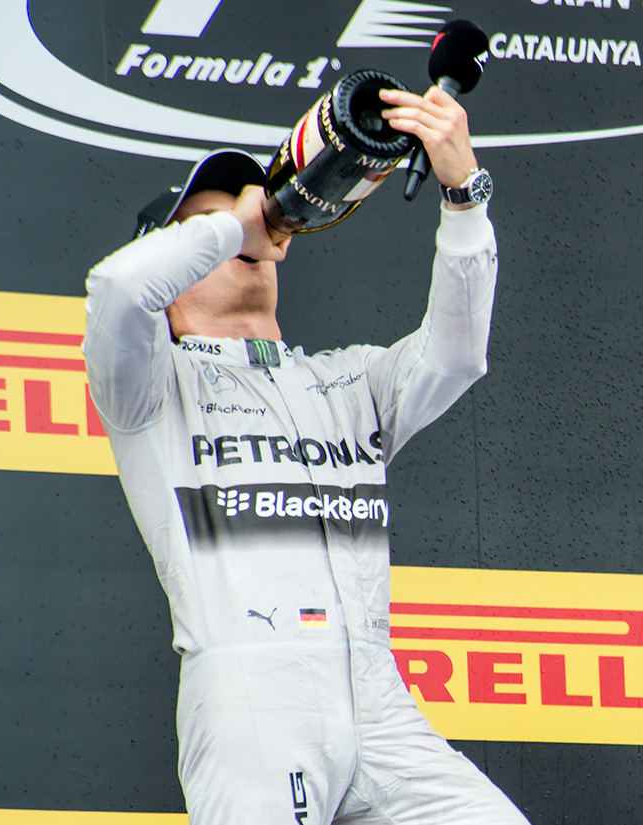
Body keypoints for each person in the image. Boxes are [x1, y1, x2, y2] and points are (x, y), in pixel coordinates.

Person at [84, 87, 529, 825]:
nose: (248, 234)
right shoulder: (151, 386)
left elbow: (456, 356)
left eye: (250, 215)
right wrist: (245, 221)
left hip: (376, 696)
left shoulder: (345, 381)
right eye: (211, 225)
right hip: (255, 694)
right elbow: (118, 285)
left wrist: (463, 195)